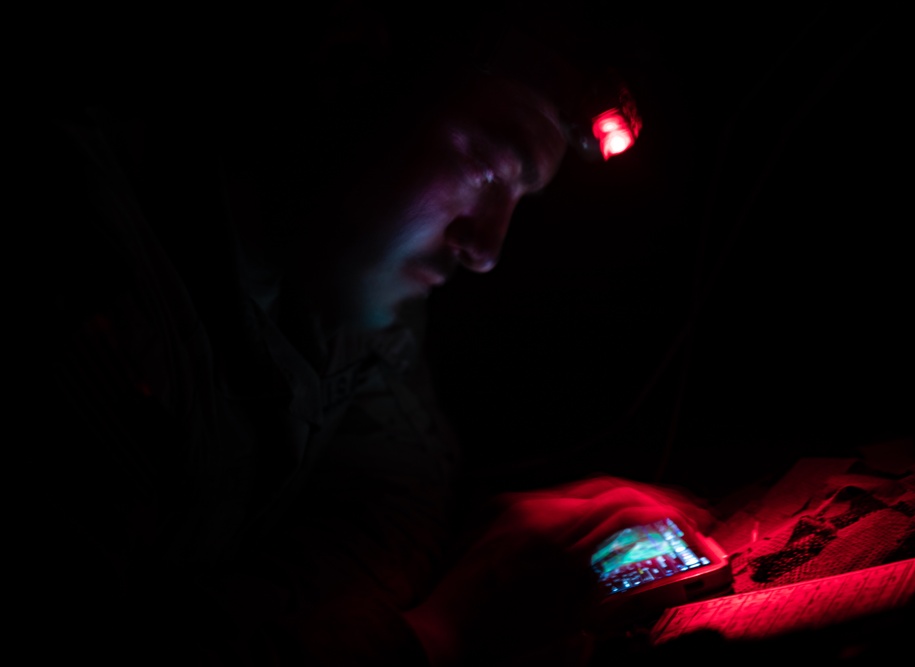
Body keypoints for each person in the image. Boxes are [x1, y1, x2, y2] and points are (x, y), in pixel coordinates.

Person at [22, 5, 716, 666]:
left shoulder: (347, 300)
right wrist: (442, 632)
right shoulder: (75, 268)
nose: (488, 248)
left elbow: (396, 501)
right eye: (490, 171)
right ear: (349, 66)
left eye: (518, 201)